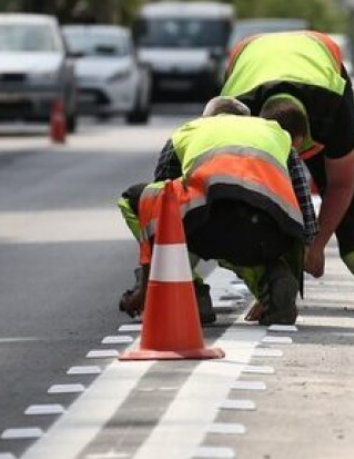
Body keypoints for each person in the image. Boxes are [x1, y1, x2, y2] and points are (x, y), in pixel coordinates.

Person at [221, 30, 354, 312]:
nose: (295, 164)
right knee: (231, 192)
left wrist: (316, 245)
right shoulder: (237, 113)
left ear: (309, 136)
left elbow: (342, 184)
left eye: (298, 155)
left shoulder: (332, 108)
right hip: (250, 61)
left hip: (319, 62)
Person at [118, 96, 318, 326]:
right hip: (266, 236)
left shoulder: (189, 131)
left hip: (205, 227)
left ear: (209, 118)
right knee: (254, 225)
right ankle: (273, 283)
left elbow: (162, 209)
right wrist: (308, 245)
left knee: (139, 198)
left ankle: (188, 293)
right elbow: (302, 203)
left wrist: (145, 290)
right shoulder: (275, 134)